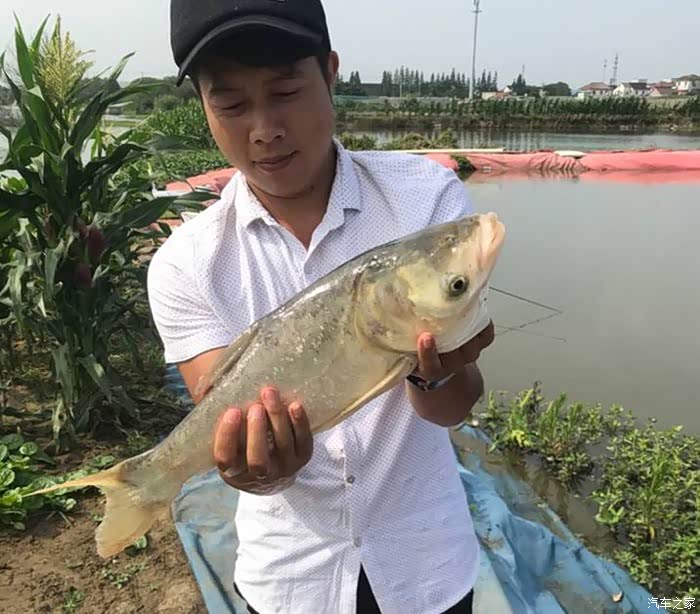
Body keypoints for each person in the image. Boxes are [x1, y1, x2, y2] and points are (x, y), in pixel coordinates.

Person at [148, 1, 496, 612]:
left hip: (426, 564)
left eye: (285, 91)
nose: (264, 129)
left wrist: (436, 373)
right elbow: (232, 435)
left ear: (330, 74)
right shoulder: (185, 263)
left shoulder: (426, 203)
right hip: (290, 577)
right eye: (232, 104)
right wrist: (258, 467)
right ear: (202, 105)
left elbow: (454, 406)